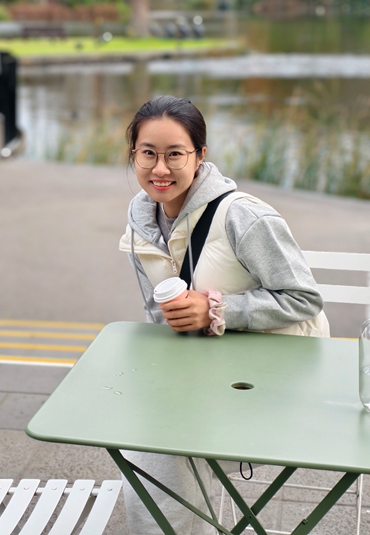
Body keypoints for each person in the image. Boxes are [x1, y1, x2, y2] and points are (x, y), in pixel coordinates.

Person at [119, 96, 329, 535]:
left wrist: (217, 309)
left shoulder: (244, 216)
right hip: (206, 371)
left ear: (200, 156)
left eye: (175, 154)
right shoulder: (140, 220)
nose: (160, 169)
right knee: (140, 438)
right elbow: (156, 314)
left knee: (160, 453)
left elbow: (305, 299)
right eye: (148, 153)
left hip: (281, 379)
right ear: (133, 154)